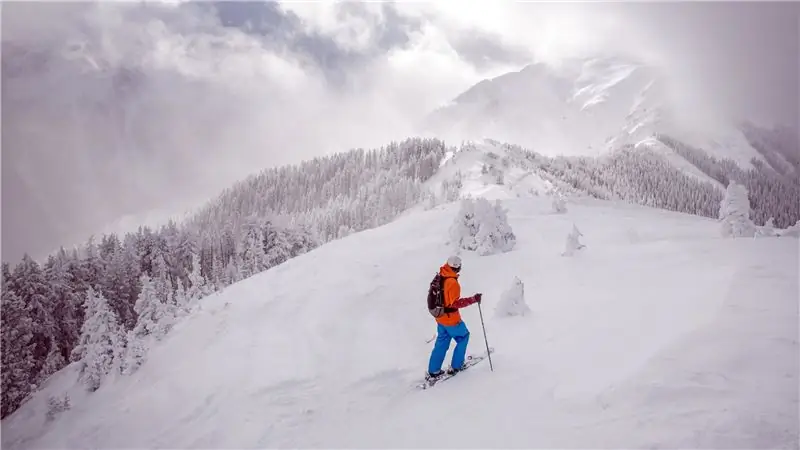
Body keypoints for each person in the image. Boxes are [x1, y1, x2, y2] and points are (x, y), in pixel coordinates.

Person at [427, 255, 482, 379]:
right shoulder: (452, 282)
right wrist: (473, 299)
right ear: (458, 267)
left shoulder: (441, 274)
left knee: (442, 341)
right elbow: (454, 303)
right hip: (451, 319)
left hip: (440, 317)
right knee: (463, 336)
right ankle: (456, 366)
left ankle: (434, 370)